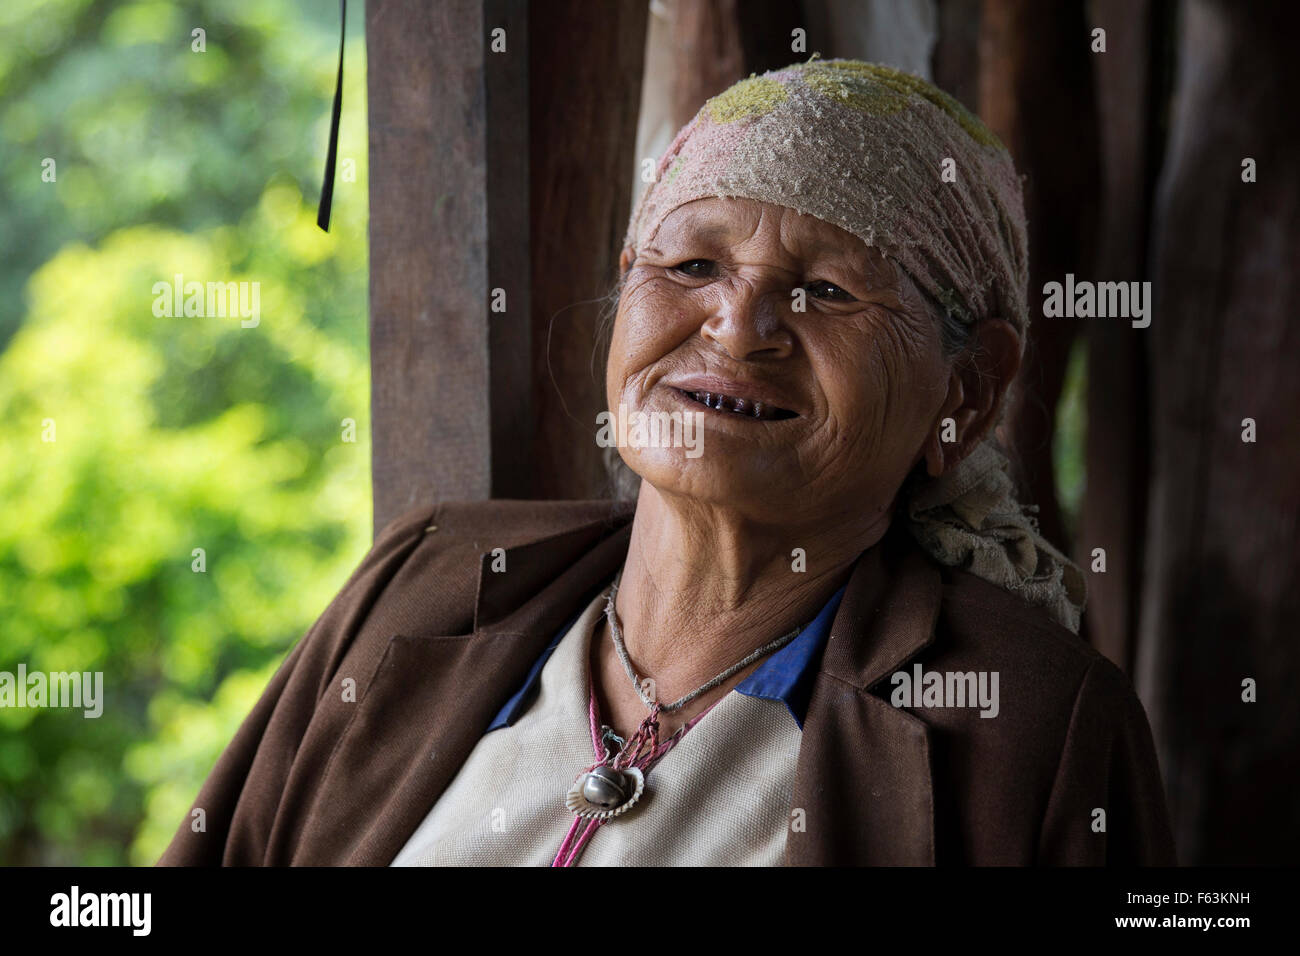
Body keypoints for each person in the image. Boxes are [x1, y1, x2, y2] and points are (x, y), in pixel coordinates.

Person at [159, 58, 1176, 866]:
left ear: (965, 389)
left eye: (826, 290)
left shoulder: (1029, 733)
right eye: (690, 264)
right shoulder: (427, 578)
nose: (738, 327)